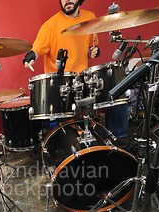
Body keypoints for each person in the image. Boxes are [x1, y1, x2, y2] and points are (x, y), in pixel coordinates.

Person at [23, 0, 129, 140]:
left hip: (84, 79)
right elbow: (35, 50)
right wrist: (30, 56)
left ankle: (118, 141)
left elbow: (92, 46)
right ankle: (61, 144)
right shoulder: (50, 25)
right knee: (54, 120)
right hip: (61, 84)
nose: (67, 0)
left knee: (117, 95)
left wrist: (93, 51)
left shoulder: (90, 17)